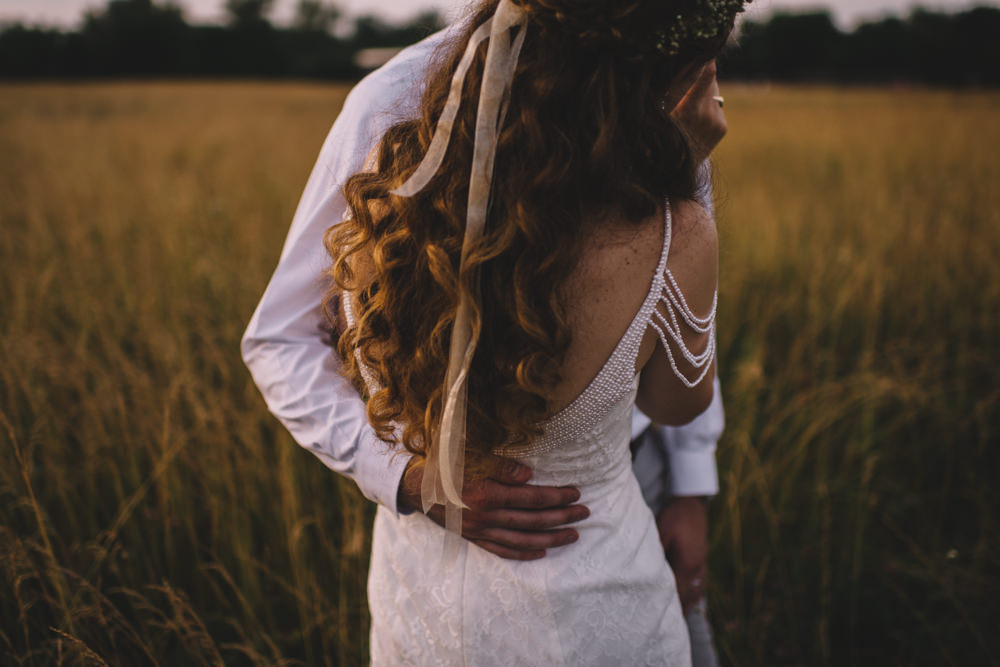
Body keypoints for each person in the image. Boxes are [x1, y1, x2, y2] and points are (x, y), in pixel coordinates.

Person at [242, 0, 744, 662]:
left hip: (635, 475)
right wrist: (410, 478)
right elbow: (280, 336)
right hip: (441, 534)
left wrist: (689, 485)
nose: (705, 85)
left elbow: (672, 307)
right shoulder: (396, 99)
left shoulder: (662, 95)